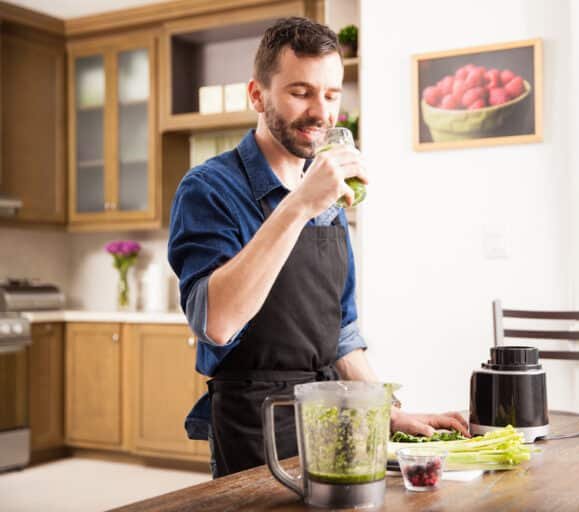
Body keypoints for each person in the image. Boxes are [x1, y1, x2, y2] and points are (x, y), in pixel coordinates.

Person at [168, 16, 469, 478]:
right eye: (300, 92)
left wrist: (386, 412)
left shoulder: (329, 195)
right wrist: (300, 204)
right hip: (256, 426)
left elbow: (340, 333)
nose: (320, 112)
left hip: (332, 417)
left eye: (331, 95)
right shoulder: (209, 188)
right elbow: (217, 323)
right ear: (257, 96)